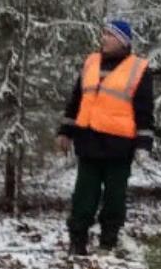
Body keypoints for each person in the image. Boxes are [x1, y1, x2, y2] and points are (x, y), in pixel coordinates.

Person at [56, 20, 154, 255]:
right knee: (83, 196)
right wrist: (65, 132)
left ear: (123, 41)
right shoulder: (91, 62)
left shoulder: (138, 68)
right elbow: (76, 100)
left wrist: (143, 145)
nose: (104, 38)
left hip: (119, 145)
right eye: (104, 34)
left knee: (114, 198)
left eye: (110, 35)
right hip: (88, 141)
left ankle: (108, 241)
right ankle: (77, 241)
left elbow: (144, 111)